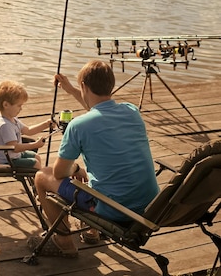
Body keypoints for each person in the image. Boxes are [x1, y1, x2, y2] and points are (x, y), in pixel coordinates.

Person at [29, 60, 159, 258]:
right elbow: (100, 111)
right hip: (147, 206)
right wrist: (73, 90)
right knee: (94, 174)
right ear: (111, 85)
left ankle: (64, 243)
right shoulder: (132, 111)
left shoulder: (78, 126)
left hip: (113, 210)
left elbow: (59, 173)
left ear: (84, 86)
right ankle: (91, 231)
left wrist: (74, 170)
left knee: (42, 176)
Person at [0, 80, 54, 169]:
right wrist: (35, 145)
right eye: (19, 105)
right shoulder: (4, 125)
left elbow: (28, 130)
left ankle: (37, 178)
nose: (21, 109)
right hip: (5, 160)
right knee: (35, 163)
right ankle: (40, 181)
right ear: (6, 105)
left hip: (14, 155)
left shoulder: (13, 119)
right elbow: (14, 148)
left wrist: (46, 124)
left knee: (36, 156)